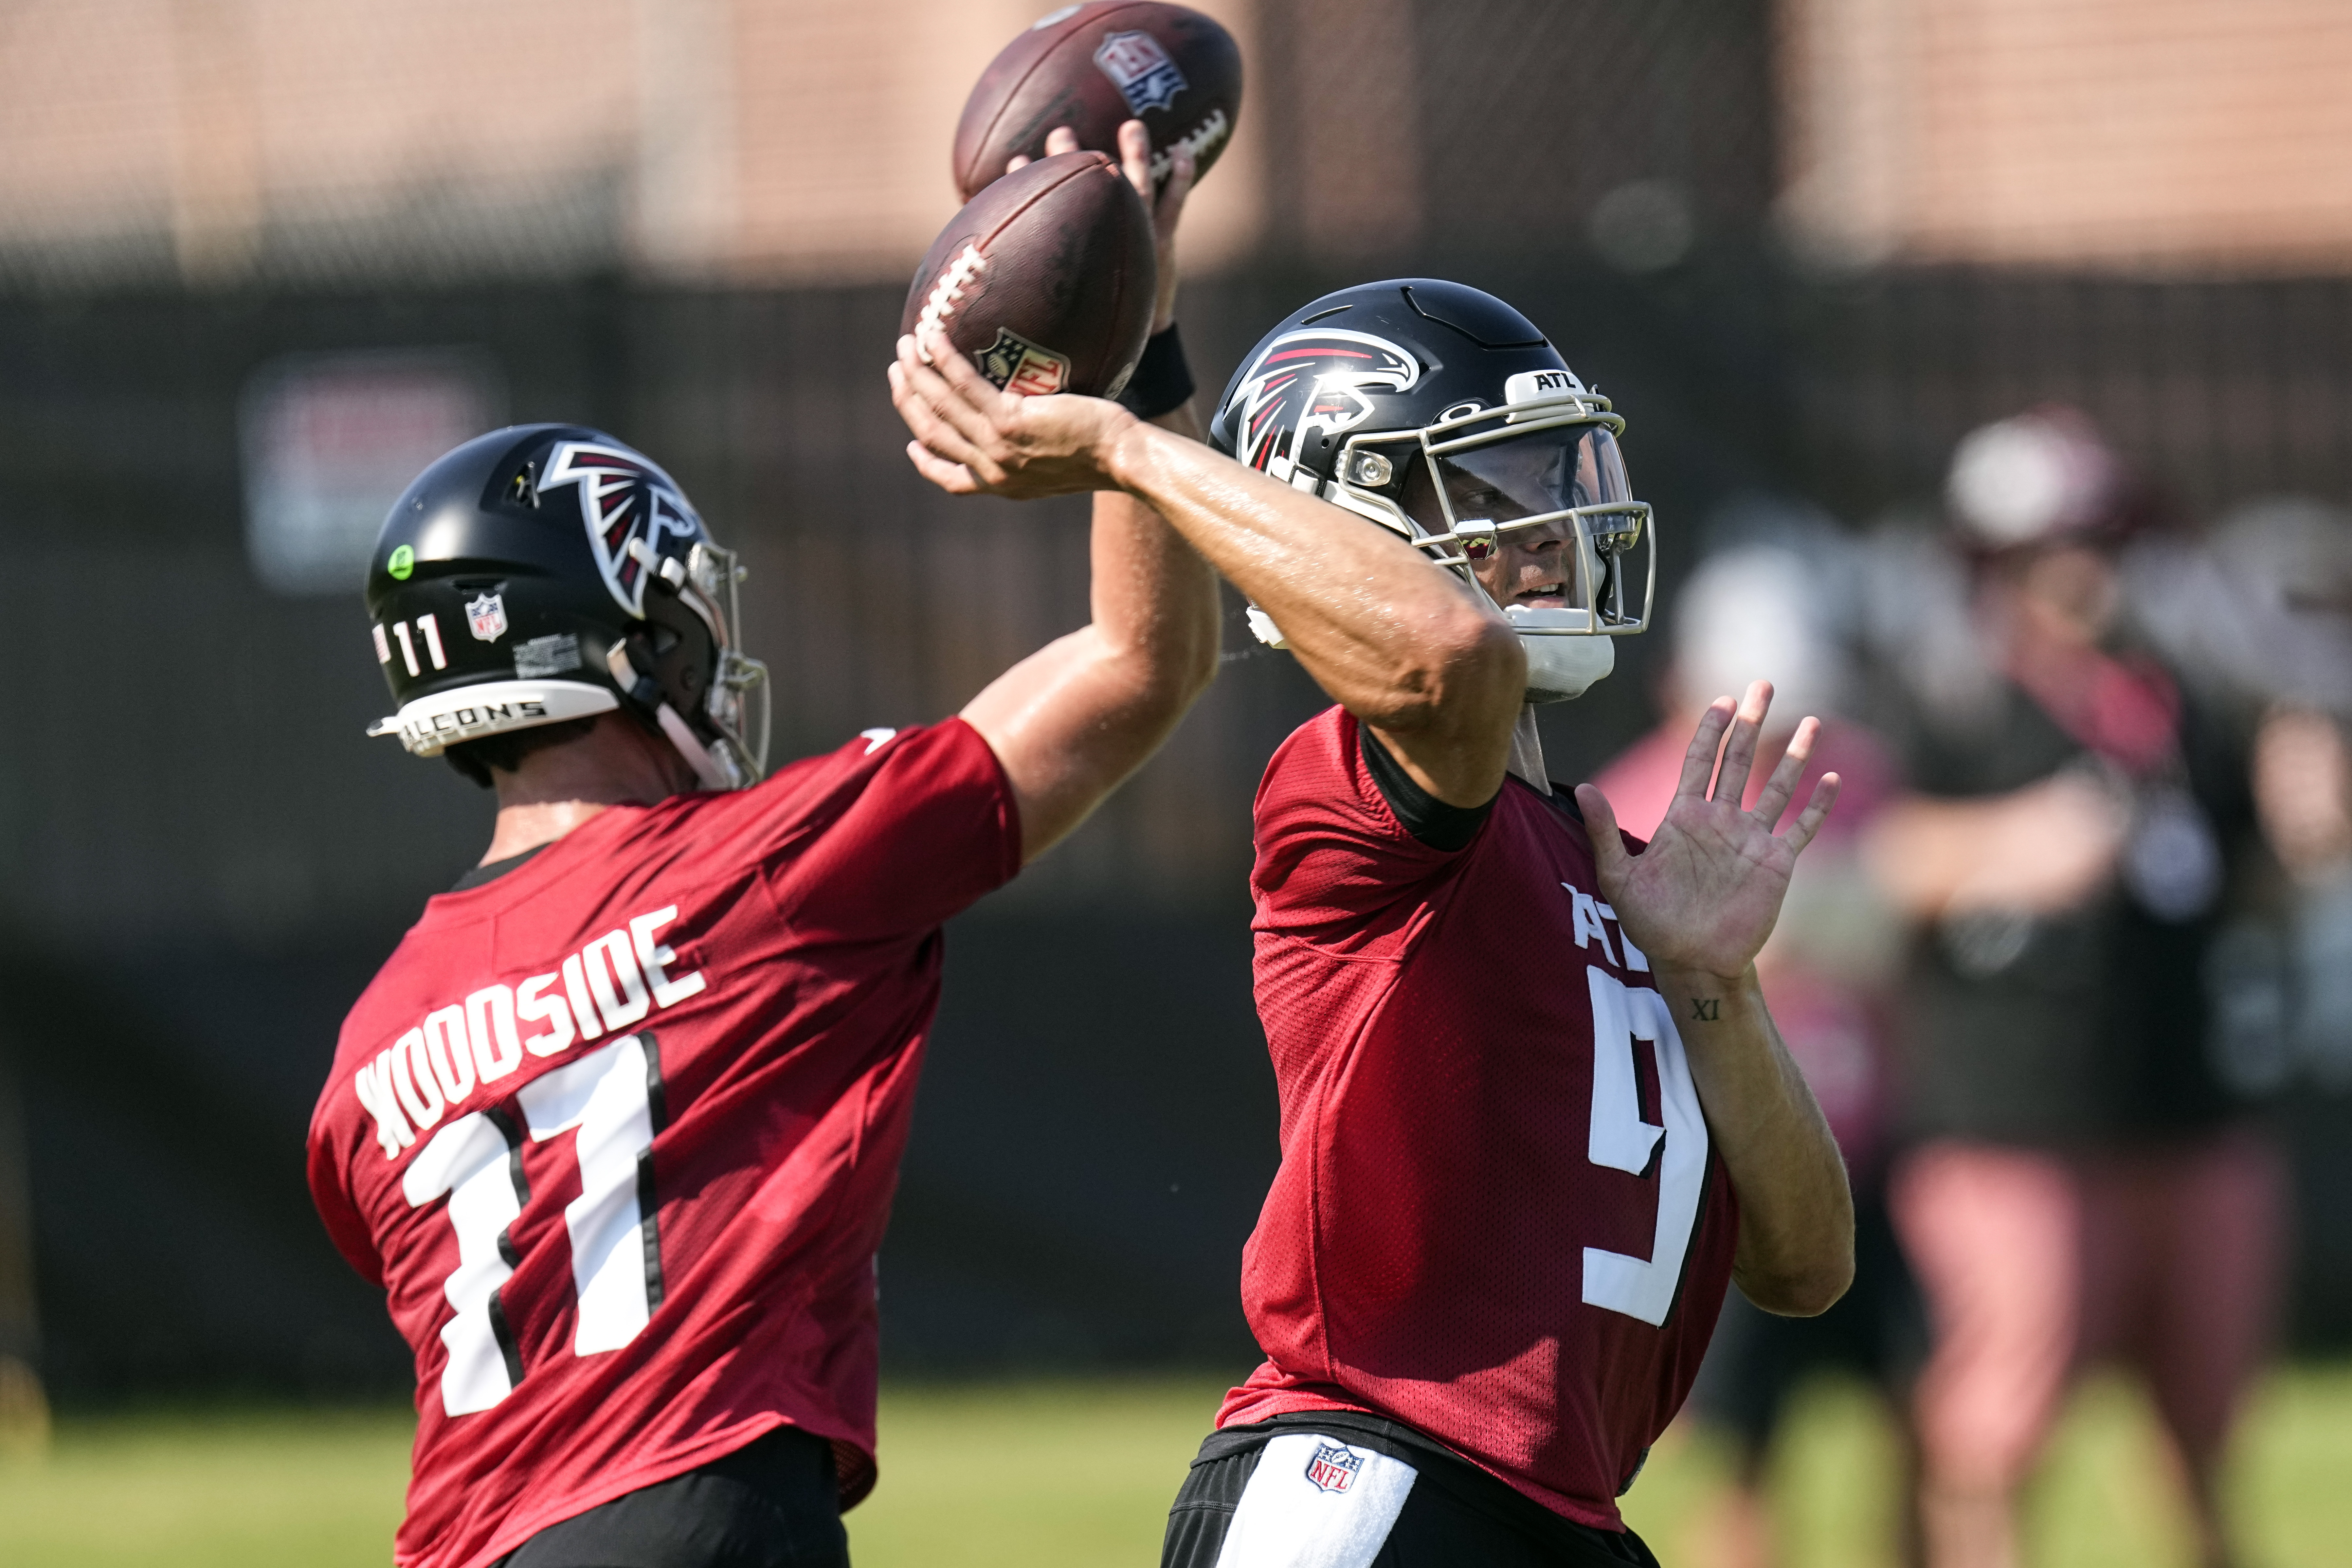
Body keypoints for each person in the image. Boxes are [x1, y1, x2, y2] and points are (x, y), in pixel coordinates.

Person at [307, 124, 1215, 1568]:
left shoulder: (368, 1052)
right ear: (630, 641)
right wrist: (1140, 349)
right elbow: (1136, 667)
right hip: (702, 1511)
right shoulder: (770, 866)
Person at [891, 278, 1855, 1567]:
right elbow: (1449, 664)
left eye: (1556, 472)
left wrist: (1710, 980)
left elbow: (1807, 1264)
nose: (1556, 526)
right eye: (1496, 487)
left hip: (1570, 1516)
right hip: (1378, 1480)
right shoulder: (1346, 789)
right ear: (1357, 518)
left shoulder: (1613, 864)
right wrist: (1124, 444)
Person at [1860, 408, 2279, 1568]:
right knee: (1999, 1422)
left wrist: (2301, 825)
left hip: (2181, 1103)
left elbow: (2242, 881)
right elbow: (1859, 862)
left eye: (2105, 538)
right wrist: (2005, 847)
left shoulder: (2180, 702)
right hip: (2011, 1118)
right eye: (2058, 544)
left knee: (2207, 1419)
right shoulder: (1943, 695)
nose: (2087, 568)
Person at [1594, 540, 1918, 1568]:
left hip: (1863, 1158)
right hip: (1720, 1167)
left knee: (1924, 1425)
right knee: (1745, 1456)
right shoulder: (1637, 796)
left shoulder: (1859, 781)